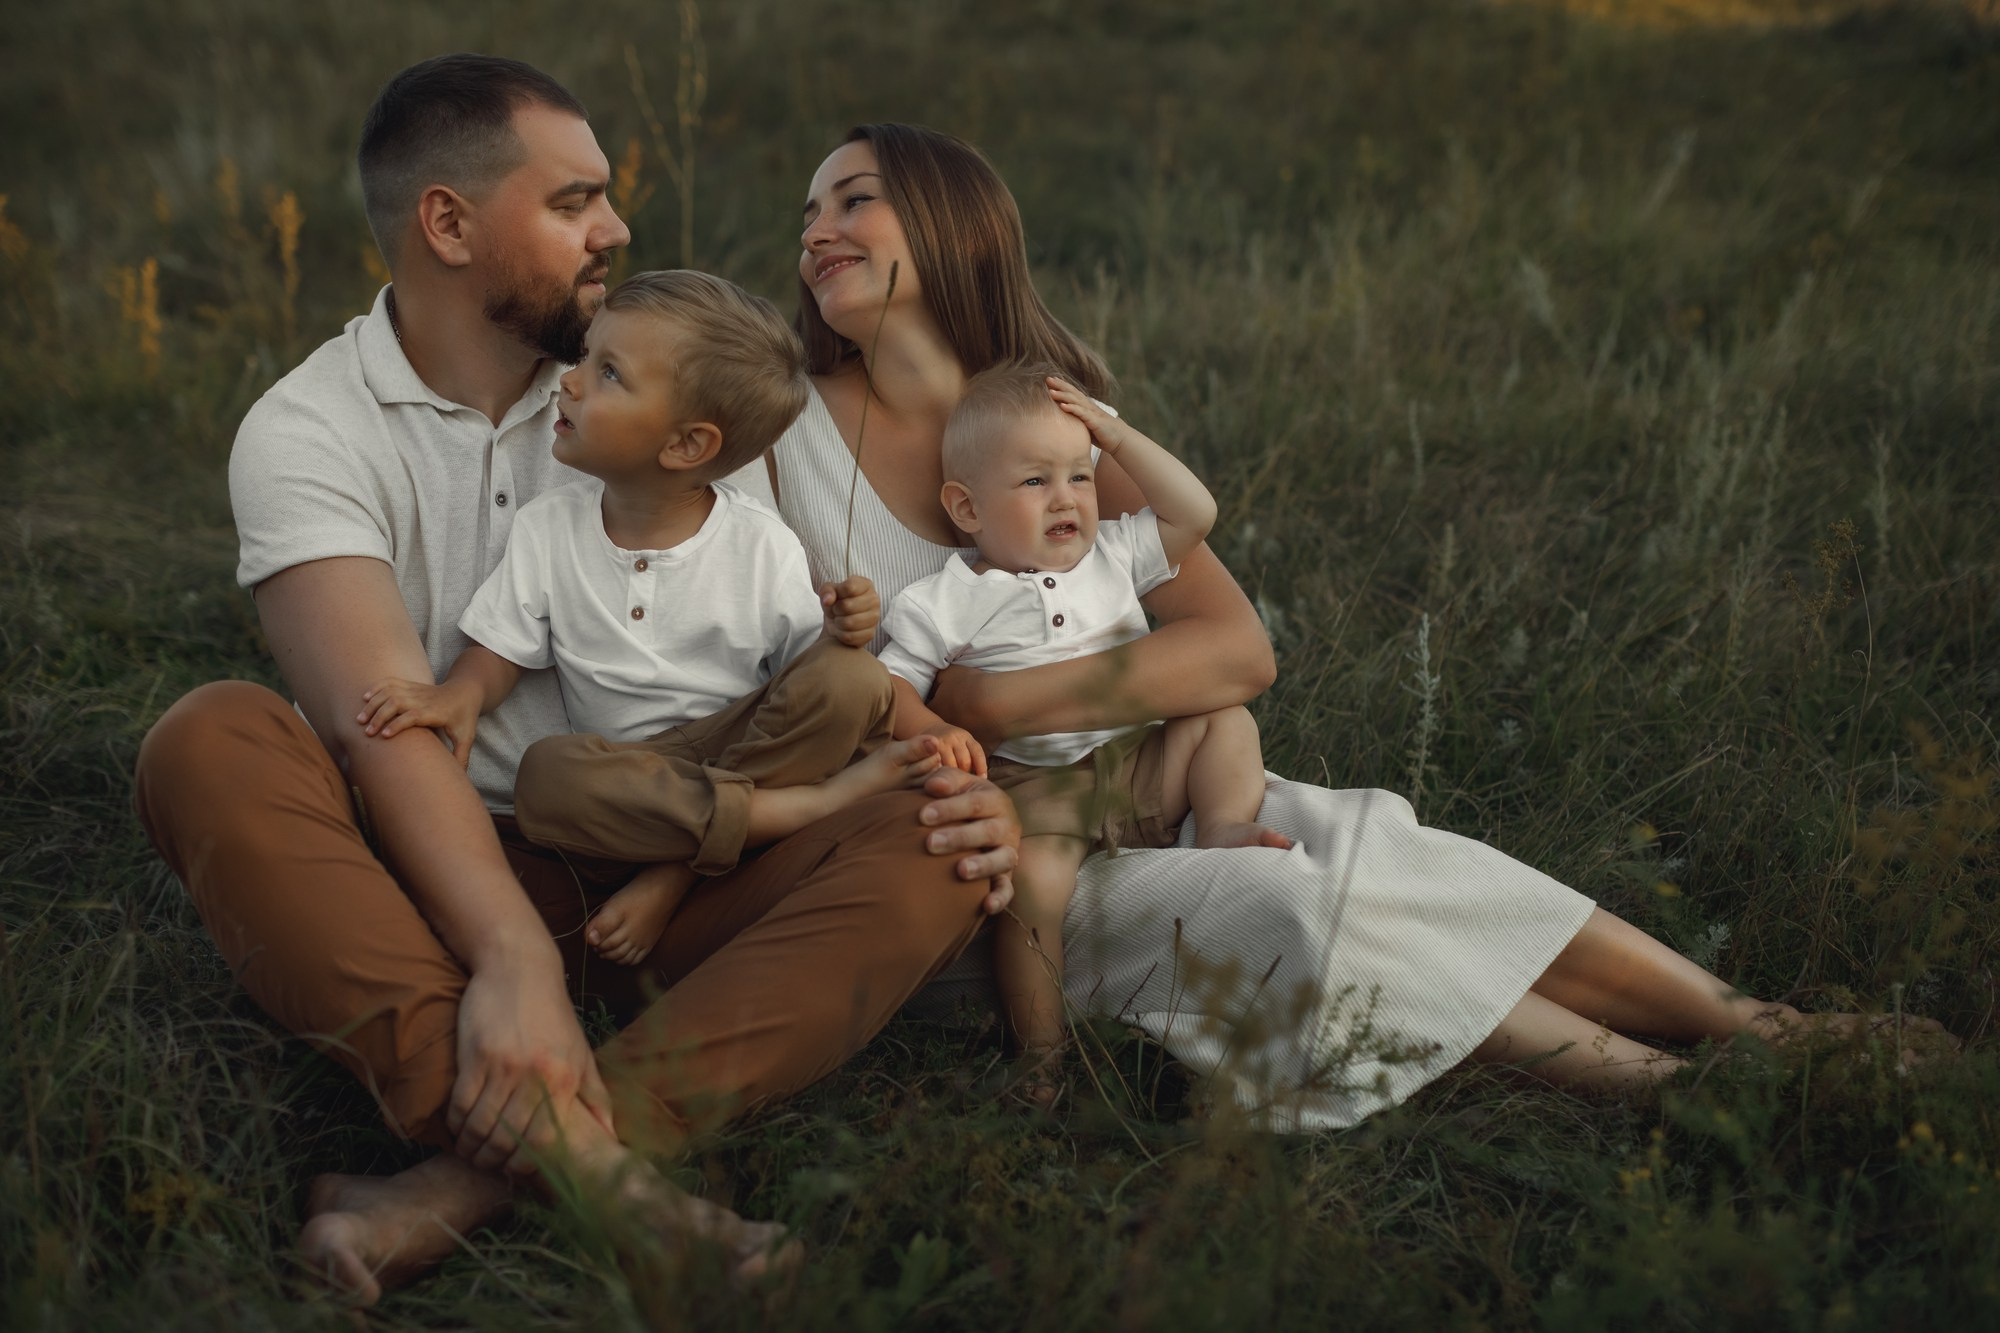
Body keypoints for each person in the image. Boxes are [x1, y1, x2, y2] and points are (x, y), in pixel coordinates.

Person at [728, 120, 1947, 1126]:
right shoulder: (782, 435)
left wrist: (1007, 703)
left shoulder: (1045, 421)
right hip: (976, 855)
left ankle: (1756, 1024)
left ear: (950, 224)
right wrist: (985, 723)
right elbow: (796, 685)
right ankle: (1679, 1094)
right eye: (806, 216)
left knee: (1358, 836)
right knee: (1291, 903)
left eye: (854, 199)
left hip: (1134, 777)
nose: (816, 231)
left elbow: (1234, 651)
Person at [131, 62, 1019, 1305]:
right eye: (574, 204)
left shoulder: (664, 379)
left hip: (684, 862)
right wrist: (513, 957)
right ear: (448, 224)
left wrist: (907, 750)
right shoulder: (308, 430)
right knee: (207, 739)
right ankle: (606, 1181)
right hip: (428, 884)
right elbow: (390, 730)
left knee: (942, 833)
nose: (615, 231)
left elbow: (782, 681)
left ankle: (464, 1184)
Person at [354, 268, 947, 968]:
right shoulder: (551, 530)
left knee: (853, 680)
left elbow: (801, 688)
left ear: (687, 446)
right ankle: (793, 815)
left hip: (740, 744)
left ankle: (674, 874)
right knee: (543, 776)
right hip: (632, 772)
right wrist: (457, 697)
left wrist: (841, 633)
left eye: (608, 374)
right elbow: (502, 648)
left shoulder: (759, 543)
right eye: (585, 359)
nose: (568, 381)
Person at [877, 361, 1288, 1090]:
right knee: (1030, 893)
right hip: (1036, 791)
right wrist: (933, 737)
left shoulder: (1115, 552)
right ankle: (1041, 1055)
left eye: (1080, 475)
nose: (1066, 496)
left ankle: (1222, 824)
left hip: (1135, 760)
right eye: (1035, 481)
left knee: (1224, 719)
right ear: (967, 509)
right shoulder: (942, 601)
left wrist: (1115, 437)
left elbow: (1195, 514)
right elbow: (891, 691)